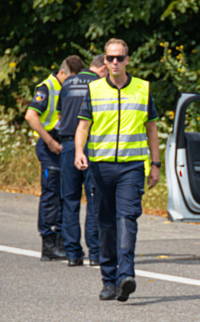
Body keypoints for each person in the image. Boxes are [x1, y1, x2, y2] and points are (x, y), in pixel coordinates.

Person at [74, 39, 161, 302]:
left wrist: (155, 165)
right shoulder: (95, 89)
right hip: (100, 167)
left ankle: (126, 276)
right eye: (110, 58)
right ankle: (108, 281)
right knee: (105, 223)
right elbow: (82, 127)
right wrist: (79, 151)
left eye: (119, 58)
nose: (114, 62)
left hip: (131, 167)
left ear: (128, 60)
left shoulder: (143, 90)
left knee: (127, 219)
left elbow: (152, 129)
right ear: (105, 60)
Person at [25, 55, 85, 260]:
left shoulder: (67, 86)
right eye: (72, 79)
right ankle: (49, 243)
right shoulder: (47, 87)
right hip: (50, 143)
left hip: (63, 144)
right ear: (62, 73)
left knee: (63, 193)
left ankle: (61, 239)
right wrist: (50, 141)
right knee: (51, 193)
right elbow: (30, 116)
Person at [57, 54, 107, 266]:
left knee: (70, 201)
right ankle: (95, 253)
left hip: (68, 146)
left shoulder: (67, 83)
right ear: (103, 68)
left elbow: (60, 117)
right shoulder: (99, 84)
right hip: (91, 145)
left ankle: (72, 253)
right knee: (94, 199)